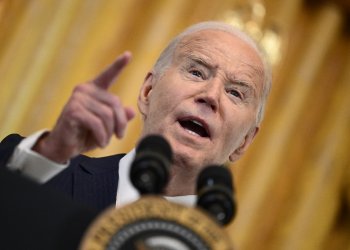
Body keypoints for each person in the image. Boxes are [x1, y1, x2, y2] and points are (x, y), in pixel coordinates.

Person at [0, 21, 271, 212]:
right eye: (197, 72)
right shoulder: (47, 171)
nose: (211, 95)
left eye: (235, 92)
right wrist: (52, 151)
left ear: (245, 141)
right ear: (147, 91)